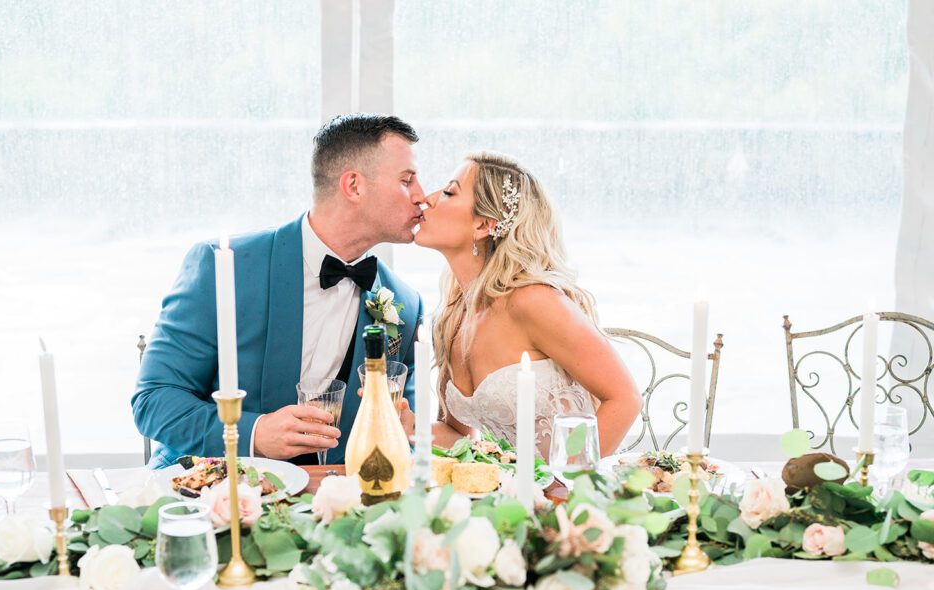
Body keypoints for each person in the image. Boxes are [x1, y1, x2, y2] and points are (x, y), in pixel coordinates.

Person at [133, 114, 425, 468]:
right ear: (354, 186)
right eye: (407, 181)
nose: (422, 197)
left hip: (333, 503)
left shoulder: (405, 304)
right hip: (212, 492)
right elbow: (154, 401)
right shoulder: (224, 266)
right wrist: (254, 433)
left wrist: (406, 432)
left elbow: (402, 439)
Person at [413, 151, 641, 456]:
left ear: (483, 225)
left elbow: (625, 399)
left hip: (574, 495)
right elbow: (461, 439)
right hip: (509, 499)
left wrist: (562, 489)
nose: (428, 198)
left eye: (449, 192)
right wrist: (407, 428)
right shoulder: (453, 316)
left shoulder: (534, 301)